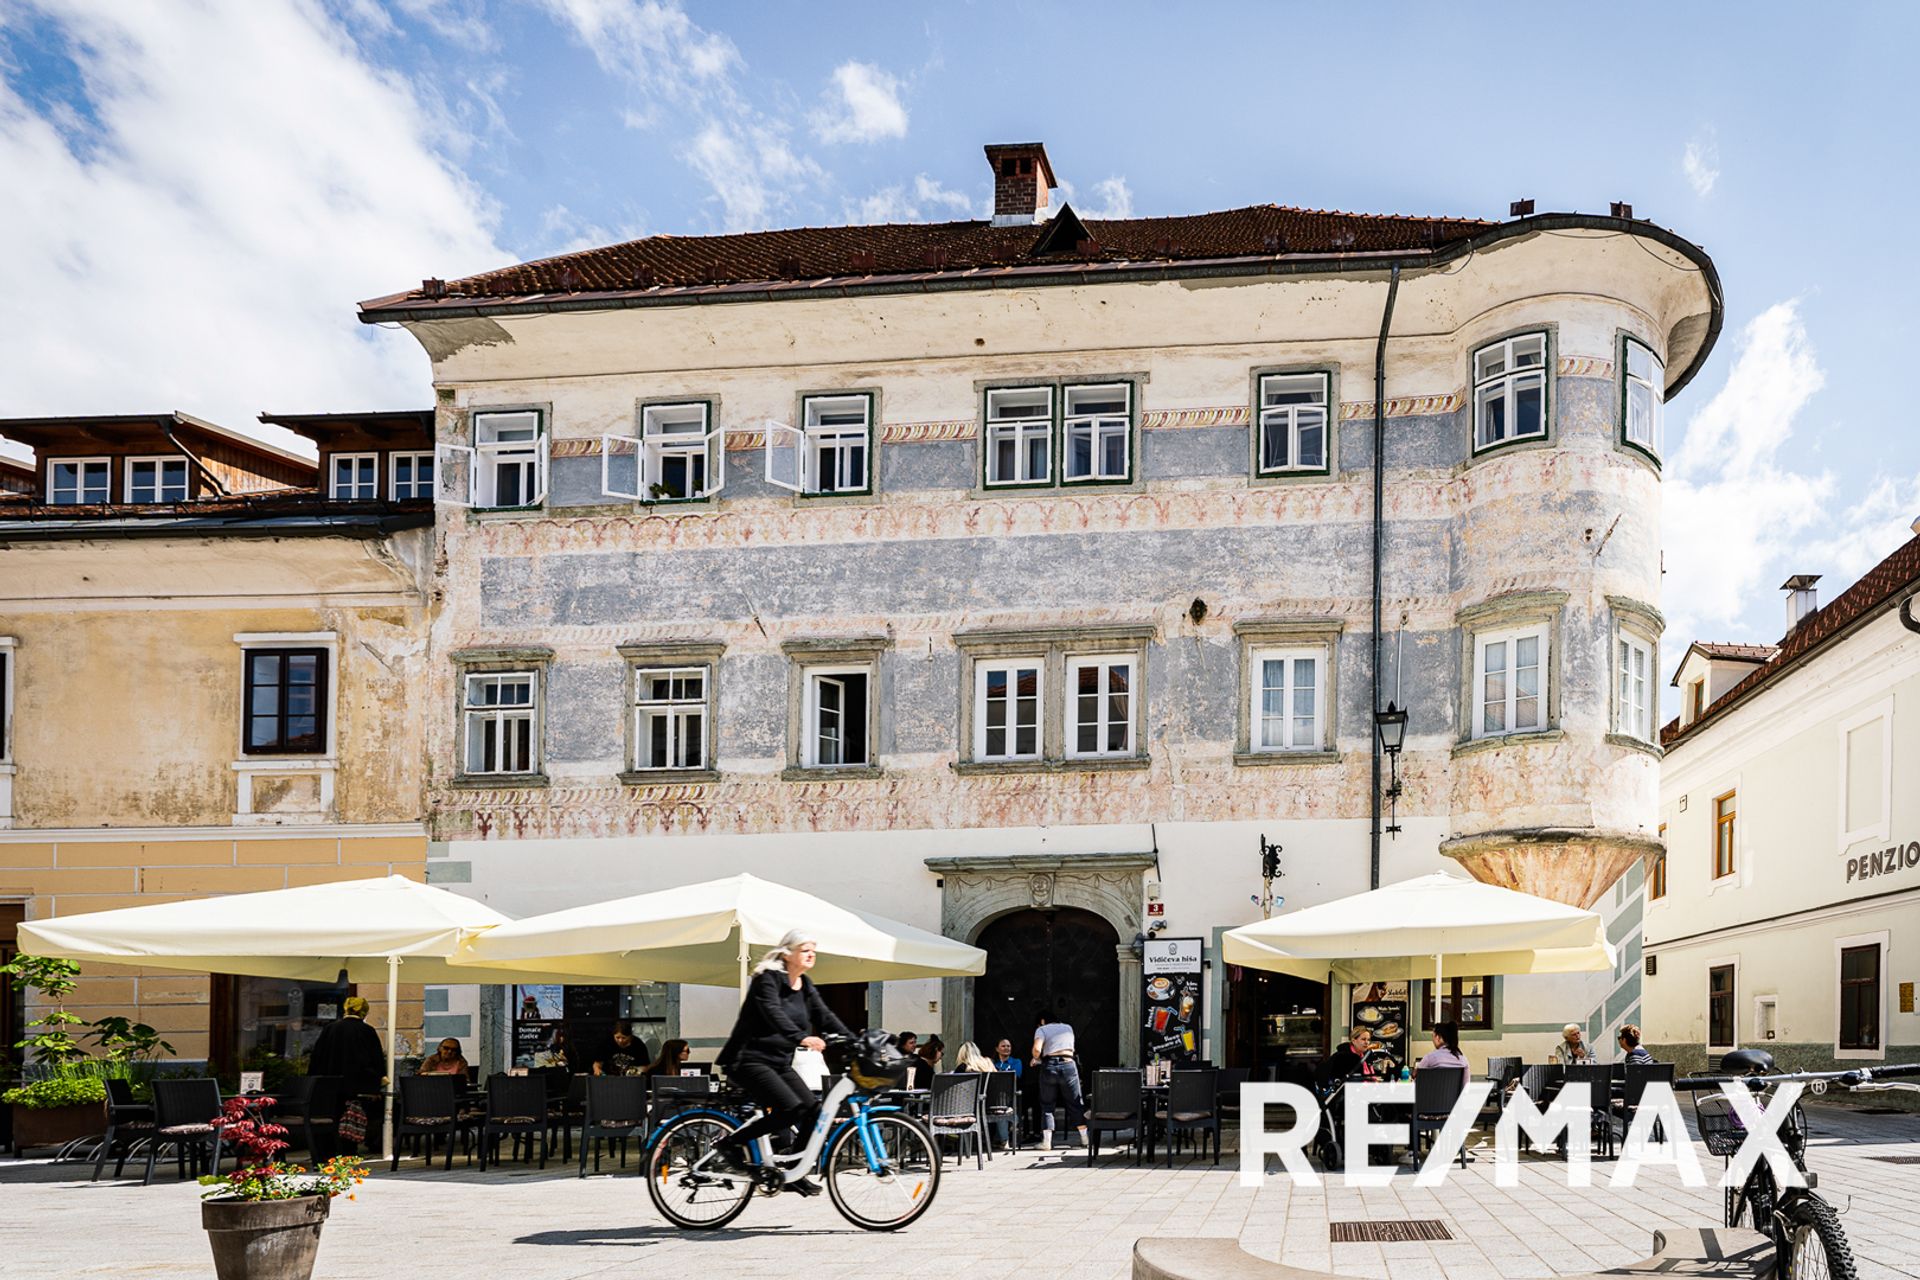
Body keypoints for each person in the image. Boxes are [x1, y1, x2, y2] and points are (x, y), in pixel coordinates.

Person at [714, 929, 852, 1196]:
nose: (811, 954)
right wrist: (801, 1037)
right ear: (788, 953)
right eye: (805, 949)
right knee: (790, 1110)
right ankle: (729, 1145)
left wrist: (854, 1039)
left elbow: (824, 1015)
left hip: (778, 1062)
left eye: (814, 949)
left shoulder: (805, 984)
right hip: (747, 1059)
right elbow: (772, 1012)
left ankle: (794, 1170)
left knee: (813, 1111)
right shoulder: (768, 979)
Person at [309, 995, 386, 1155]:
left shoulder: (330, 1029)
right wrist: (378, 1081)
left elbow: (317, 1057)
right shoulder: (367, 1031)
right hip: (358, 1086)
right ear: (364, 1012)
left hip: (331, 1086)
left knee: (334, 1116)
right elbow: (376, 1060)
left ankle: (330, 1150)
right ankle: (359, 1147)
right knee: (370, 1114)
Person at [1030, 1009, 1088, 1150]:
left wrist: (1036, 1058)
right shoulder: (1068, 1027)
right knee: (1075, 1102)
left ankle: (1047, 1142)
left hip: (1049, 1067)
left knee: (1047, 1104)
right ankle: (1085, 1138)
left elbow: (1037, 1049)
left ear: (1043, 1021)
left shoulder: (1042, 1029)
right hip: (1068, 1064)